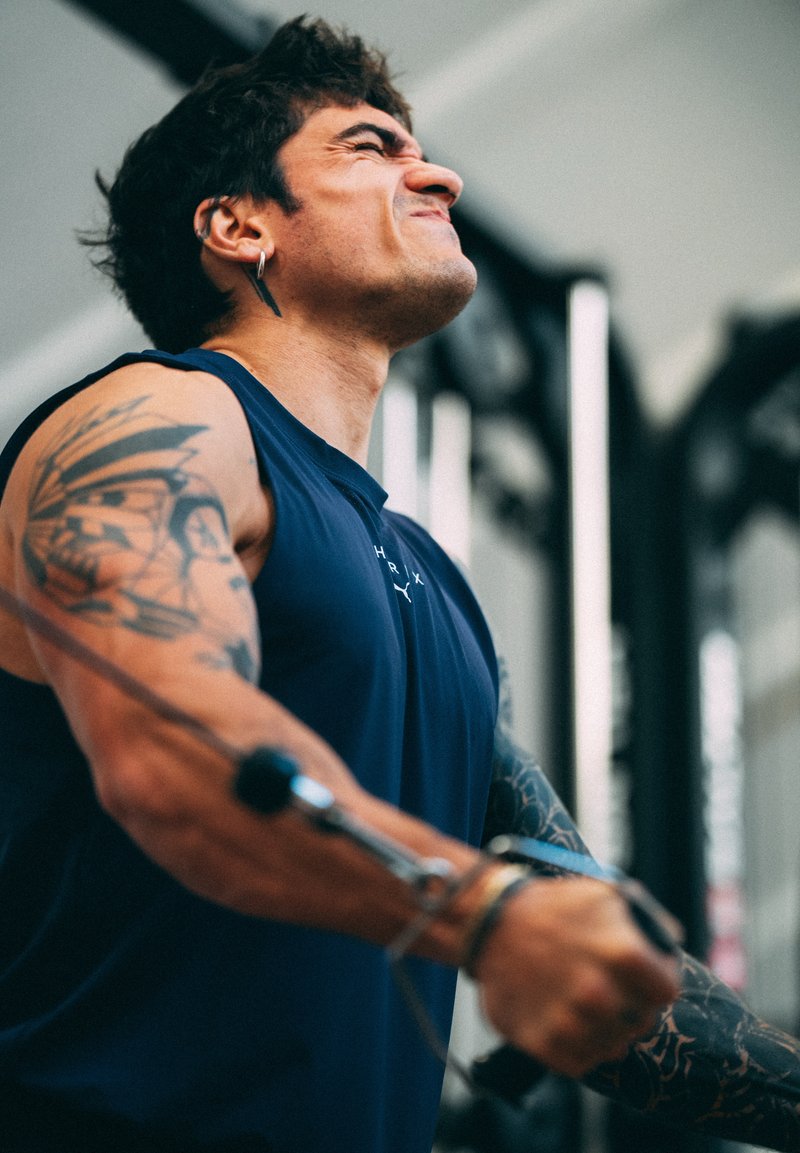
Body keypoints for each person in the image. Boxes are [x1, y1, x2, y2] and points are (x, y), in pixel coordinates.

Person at [0, 16, 797, 1153]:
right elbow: (168, 748)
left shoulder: (429, 585)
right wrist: (481, 911)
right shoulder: (158, 423)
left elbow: (602, 970)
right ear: (238, 226)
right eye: (368, 146)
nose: (437, 171)